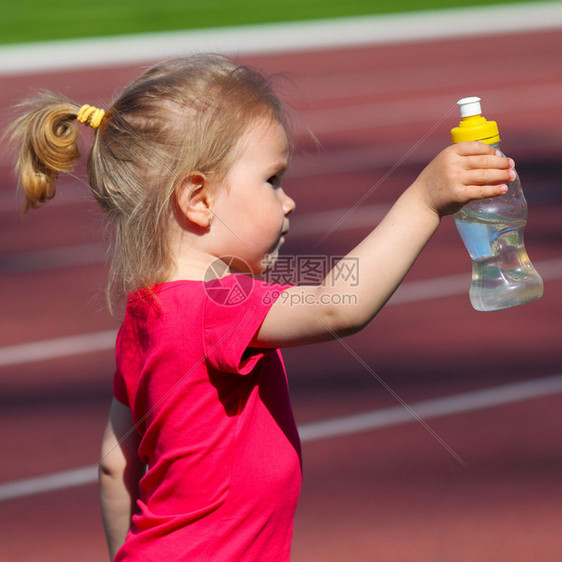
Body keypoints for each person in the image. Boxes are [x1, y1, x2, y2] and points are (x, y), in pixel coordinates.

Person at [7, 54, 515, 561]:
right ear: (198, 200)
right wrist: (425, 200)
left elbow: (115, 465)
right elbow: (338, 307)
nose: (288, 201)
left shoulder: (144, 316)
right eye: (272, 180)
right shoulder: (215, 304)